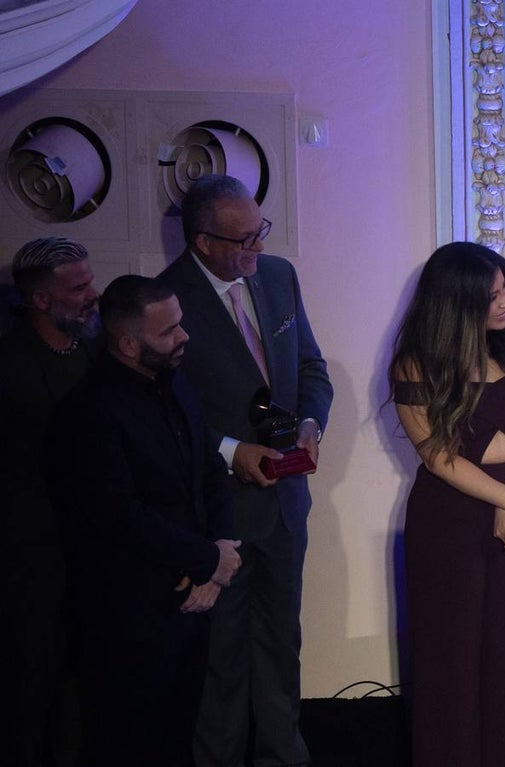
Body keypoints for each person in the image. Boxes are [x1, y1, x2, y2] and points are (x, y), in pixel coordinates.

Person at [158, 174, 333, 767]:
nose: (258, 247)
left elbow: (310, 369)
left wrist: (310, 424)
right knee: (222, 659)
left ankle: (284, 758)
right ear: (203, 242)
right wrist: (232, 450)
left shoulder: (279, 276)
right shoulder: (166, 299)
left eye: (261, 231)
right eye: (244, 240)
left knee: (283, 645)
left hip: (285, 504)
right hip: (219, 513)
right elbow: (162, 415)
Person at [44, 275, 240, 767]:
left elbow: (211, 472)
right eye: (169, 330)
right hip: (128, 618)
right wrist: (207, 559)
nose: (184, 336)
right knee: (129, 744)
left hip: (189, 601)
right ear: (129, 344)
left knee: (178, 737)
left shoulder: (178, 385)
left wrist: (217, 557)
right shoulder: (89, 411)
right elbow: (120, 516)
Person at [388, 241, 505, 766]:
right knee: (450, 660)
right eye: (492, 295)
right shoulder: (415, 363)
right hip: (449, 520)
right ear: (457, 302)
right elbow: (438, 456)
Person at [0, 237, 100, 767]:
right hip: (30, 565)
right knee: (29, 692)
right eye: (79, 287)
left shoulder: (97, 353)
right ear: (41, 299)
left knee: (82, 693)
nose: (93, 294)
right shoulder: (9, 366)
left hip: (94, 557)